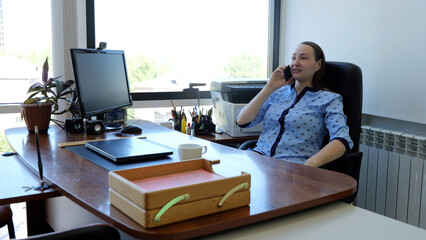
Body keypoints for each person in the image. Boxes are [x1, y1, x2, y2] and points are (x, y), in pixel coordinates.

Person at [236, 41, 353, 167]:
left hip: (292, 167)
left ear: (318, 65)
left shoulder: (329, 99)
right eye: (293, 58)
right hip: (258, 160)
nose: (296, 63)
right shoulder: (278, 93)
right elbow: (242, 121)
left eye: (303, 58)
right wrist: (269, 87)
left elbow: (342, 140)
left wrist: (310, 164)